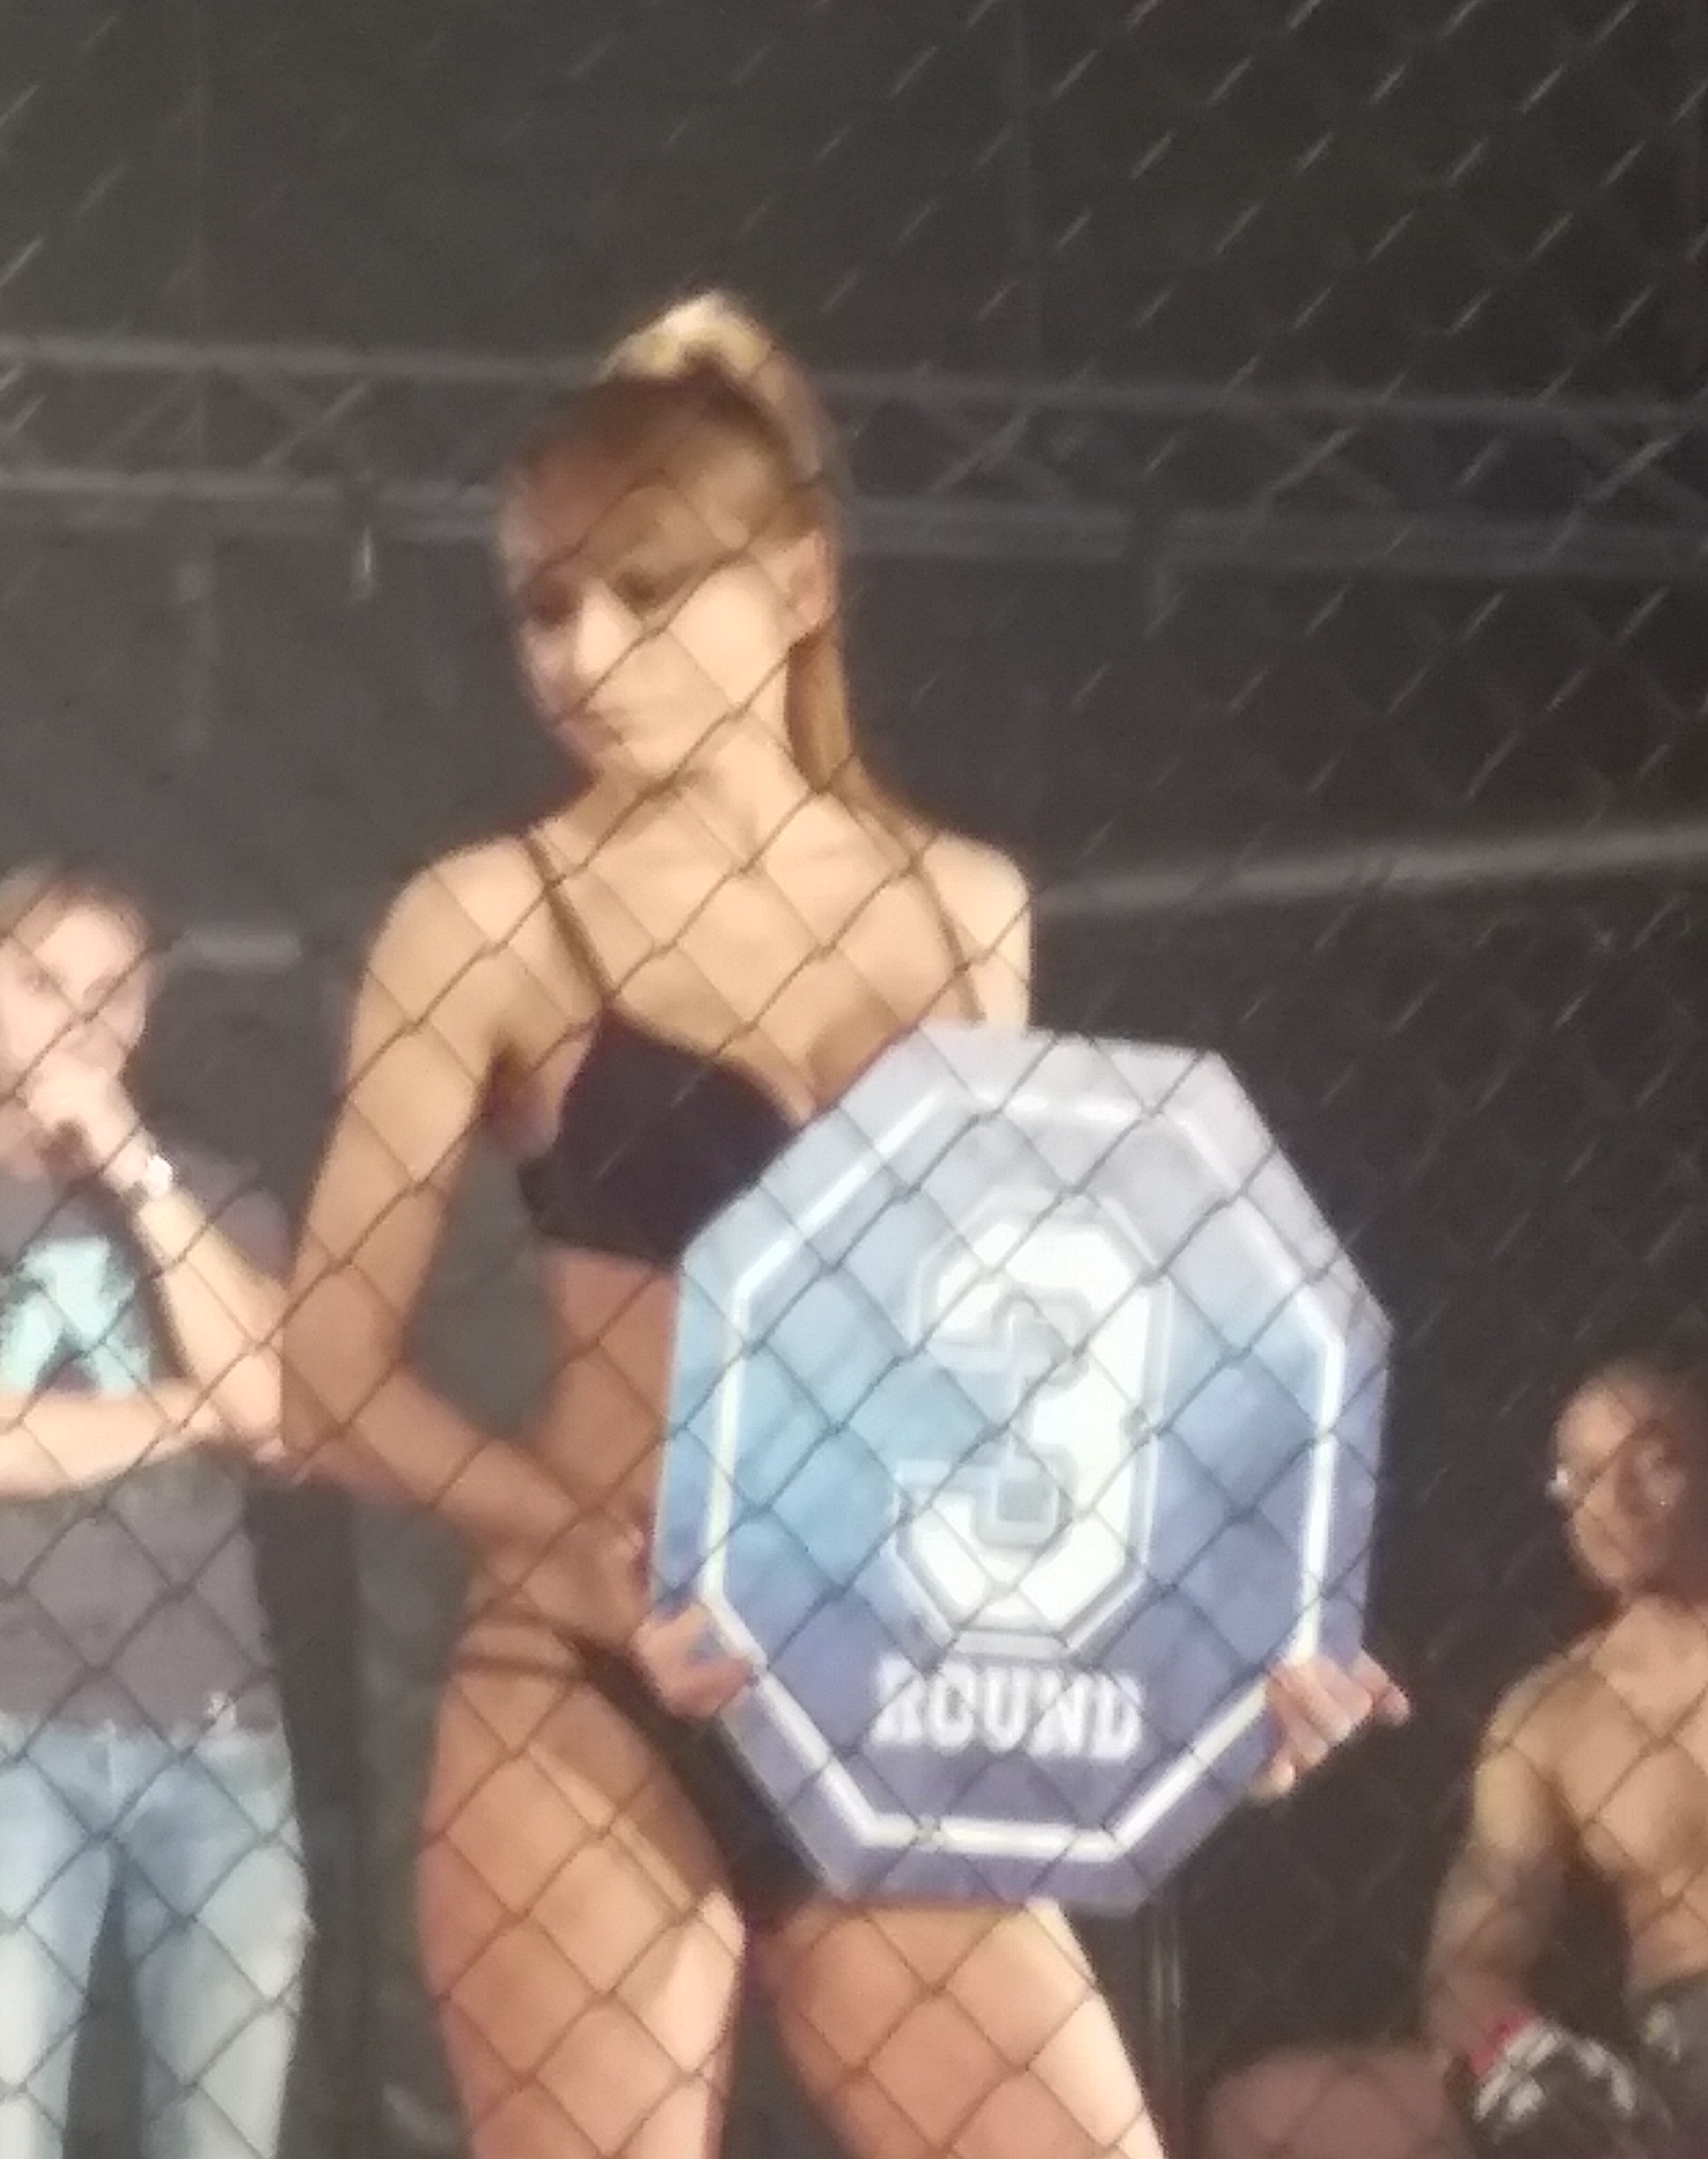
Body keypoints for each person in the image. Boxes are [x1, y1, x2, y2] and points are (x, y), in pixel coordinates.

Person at [273, 288, 1409, 2159]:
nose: (581, 651)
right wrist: (581, 1551)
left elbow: (1025, 1339)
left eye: (646, 591)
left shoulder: (966, 904)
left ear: (795, 582)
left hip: (888, 1698)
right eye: (544, 605)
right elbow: (324, 1377)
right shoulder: (482, 916)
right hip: (582, 1689)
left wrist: (1216, 1647)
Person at [0, 862, 306, 2159]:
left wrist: (133, 1167)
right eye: (44, 984)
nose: (76, 1024)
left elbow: (281, 1409)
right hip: (3, 1736)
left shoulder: (221, 1197)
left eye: (110, 995)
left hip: (221, 1737)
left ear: (144, 1014)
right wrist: (194, 1407)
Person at [1205, 1360, 1708, 2159]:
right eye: (1579, 1476)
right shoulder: (1550, 1713)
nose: (1613, 1499)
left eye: (1653, 1463)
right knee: (1263, 2114)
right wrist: (1525, 2058)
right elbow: (1470, 1966)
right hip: (1661, 2073)